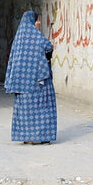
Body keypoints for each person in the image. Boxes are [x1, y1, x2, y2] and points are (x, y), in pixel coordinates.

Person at [4, 10, 56, 145]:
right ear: (32, 21)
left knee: (25, 109)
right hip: (39, 81)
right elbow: (48, 47)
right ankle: (44, 136)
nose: (38, 22)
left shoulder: (19, 37)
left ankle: (28, 138)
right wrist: (38, 31)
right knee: (44, 107)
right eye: (37, 20)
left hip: (22, 84)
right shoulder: (34, 35)